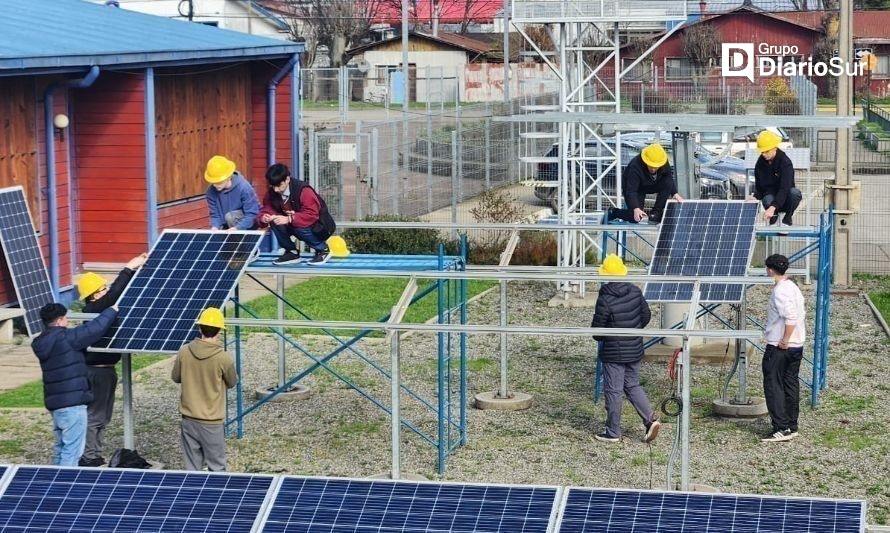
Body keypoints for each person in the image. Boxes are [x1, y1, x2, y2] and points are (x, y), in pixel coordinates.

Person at [76, 253, 148, 467]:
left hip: (105, 370)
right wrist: (128, 268)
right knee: (96, 415)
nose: (107, 291)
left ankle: (94, 453)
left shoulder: (97, 309)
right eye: (103, 289)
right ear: (95, 296)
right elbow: (116, 293)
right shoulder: (93, 310)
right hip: (97, 371)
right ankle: (89, 456)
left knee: (103, 416)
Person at [31, 302, 118, 466]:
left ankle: (55, 482)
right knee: (72, 451)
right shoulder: (67, 338)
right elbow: (95, 329)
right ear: (58, 321)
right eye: (65, 319)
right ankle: (65, 486)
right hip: (73, 405)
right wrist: (111, 311)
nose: (67, 322)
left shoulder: (40, 343)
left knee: (61, 448)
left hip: (55, 405)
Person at [591, 254, 661, 443]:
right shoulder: (635, 291)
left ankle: (613, 431)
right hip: (635, 347)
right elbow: (645, 316)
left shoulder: (605, 297)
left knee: (613, 390)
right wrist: (634, 331)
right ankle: (650, 419)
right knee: (632, 385)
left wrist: (605, 335)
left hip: (613, 352)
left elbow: (597, 331)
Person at [171, 307, 237, 471]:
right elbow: (232, 381)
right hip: (212, 422)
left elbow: (175, 377)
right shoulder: (223, 357)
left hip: (189, 419)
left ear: (200, 328)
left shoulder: (184, 351)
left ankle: (194, 495)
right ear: (219, 331)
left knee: (192, 468)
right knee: (217, 467)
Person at [761, 254, 806, 443]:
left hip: (781, 346)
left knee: (774, 386)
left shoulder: (780, 291)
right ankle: (791, 424)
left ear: (770, 270)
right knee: (790, 384)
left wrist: (785, 339)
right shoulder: (792, 286)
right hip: (797, 346)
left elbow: (790, 317)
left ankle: (781, 427)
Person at [257, 163, 335, 266]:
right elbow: (267, 208)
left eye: (279, 185)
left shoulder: (304, 190)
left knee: (298, 224)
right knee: (275, 221)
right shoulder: (272, 193)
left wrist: (289, 219)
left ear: (287, 179)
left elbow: (311, 214)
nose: (275, 189)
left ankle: (323, 250)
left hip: (319, 226)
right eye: (273, 186)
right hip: (295, 224)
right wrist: (264, 217)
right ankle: (292, 252)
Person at [608, 143, 683, 224]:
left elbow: (668, 176)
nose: (653, 169)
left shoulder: (662, 161)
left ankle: (655, 214)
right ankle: (614, 212)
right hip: (636, 188)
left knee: (668, 182)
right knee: (635, 218)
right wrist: (636, 208)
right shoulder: (634, 167)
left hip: (651, 183)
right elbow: (631, 191)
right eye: (651, 166)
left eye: (656, 166)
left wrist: (675, 193)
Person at [750, 131, 802, 227]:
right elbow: (760, 187)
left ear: (775, 148)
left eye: (767, 151)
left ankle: (787, 219)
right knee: (767, 199)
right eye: (762, 152)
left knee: (795, 193)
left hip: (786, 198)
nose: (764, 154)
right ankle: (773, 218)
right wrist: (755, 197)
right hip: (770, 197)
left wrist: (773, 207)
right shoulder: (760, 164)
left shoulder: (785, 163)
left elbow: (784, 188)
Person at [204, 155, 261, 231]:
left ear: (228, 177)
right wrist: (215, 227)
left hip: (249, 222)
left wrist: (237, 228)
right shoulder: (210, 191)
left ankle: (242, 241)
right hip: (227, 224)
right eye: (213, 182)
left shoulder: (244, 187)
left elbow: (252, 214)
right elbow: (215, 214)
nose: (215, 185)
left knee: (230, 217)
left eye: (219, 182)